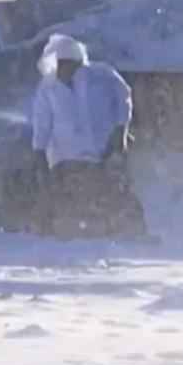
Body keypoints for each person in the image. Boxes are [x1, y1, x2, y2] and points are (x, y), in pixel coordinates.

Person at [29, 34, 145, 240]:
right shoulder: (48, 88)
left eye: (67, 63)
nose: (63, 68)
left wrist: (121, 133)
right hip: (65, 158)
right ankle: (50, 236)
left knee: (117, 194)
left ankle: (133, 234)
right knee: (61, 199)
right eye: (59, 64)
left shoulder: (101, 76)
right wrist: (39, 152)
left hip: (103, 154)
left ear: (77, 62)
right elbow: (42, 122)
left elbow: (124, 99)